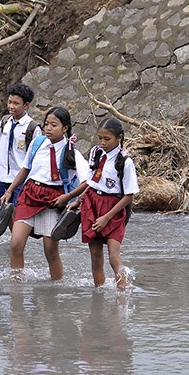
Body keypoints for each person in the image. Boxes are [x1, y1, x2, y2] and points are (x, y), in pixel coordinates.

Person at [1, 106, 90, 280]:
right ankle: (16, 286)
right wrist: (9, 190)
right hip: (29, 195)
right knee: (16, 243)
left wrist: (69, 197)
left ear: (65, 128)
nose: (48, 128)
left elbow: (89, 181)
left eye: (54, 125)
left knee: (50, 250)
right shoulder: (37, 144)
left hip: (53, 200)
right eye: (46, 124)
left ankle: (55, 290)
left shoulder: (71, 152)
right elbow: (25, 169)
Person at [75, 117, 139, 289]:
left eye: (107, 139)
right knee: (95, 256)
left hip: (113, 208)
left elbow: (129, 195)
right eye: (100, 138)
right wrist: (79, 200)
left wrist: (106, 217)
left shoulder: (125, 162)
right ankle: (99, 294)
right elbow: (91, 182)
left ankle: (123, 294)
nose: (102, 142)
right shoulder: (96, 152)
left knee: (113, 255)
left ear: (119, 138)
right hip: (92, 203)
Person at [0, 84, 42, 212]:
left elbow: (37, 158)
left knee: (17, 211)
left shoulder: (33, 128)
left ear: (26, 105)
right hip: (4, 177)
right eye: (9, 102)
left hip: (21, 179)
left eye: (16, 103)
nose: (11, 106)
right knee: (4, 212)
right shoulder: (5, 122)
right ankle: (13, 233)